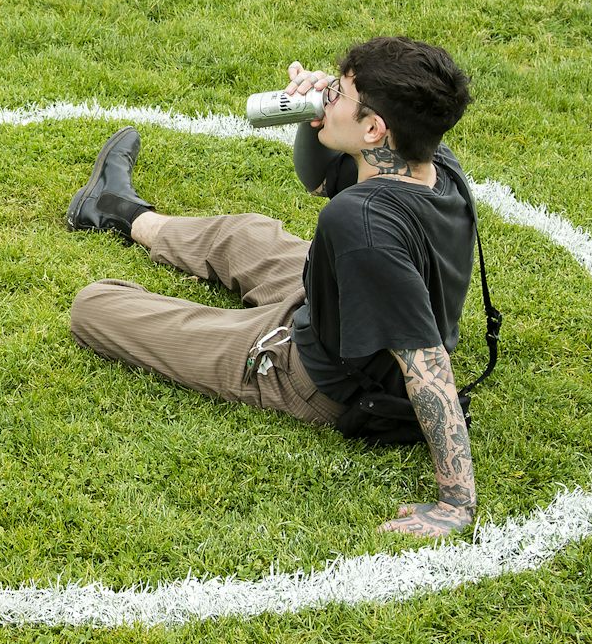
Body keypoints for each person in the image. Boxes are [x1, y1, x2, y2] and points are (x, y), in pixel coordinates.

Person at [66, 36, 479, 541]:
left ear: (374, 128)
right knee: (246, 235)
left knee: (96, 306)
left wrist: (456, 501)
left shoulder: (362, 225)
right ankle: (116, 210)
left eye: (338, 93)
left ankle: (191, 308)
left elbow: (426, 361)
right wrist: (318, 120)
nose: (324, 92)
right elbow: (320, 180)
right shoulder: (434, 163)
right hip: (337, 298)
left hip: (315, 374)